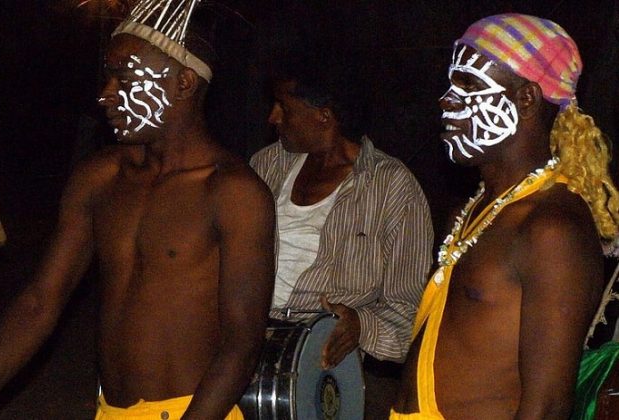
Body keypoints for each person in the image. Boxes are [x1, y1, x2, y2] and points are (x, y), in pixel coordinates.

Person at [0, 1, 275, 419]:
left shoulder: (233, 193)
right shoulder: (101, 177)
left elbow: (241, 346)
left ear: (183, 83)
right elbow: (40, 302)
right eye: (108, 76)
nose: (105, 94)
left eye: (123, 78)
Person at [392, 13, 619, 419]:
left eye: (467, 84)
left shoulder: (552, 229)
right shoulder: (473, 210)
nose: (446, 100)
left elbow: (547, 405)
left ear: (526, 98)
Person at [250, 51, 434, 417]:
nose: (273, 118)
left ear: (324, 115)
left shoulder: (392, 187)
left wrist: (360, 326)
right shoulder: (265, 165)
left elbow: (409, 314)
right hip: (247, 345)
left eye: (284, 107)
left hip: (323, 366)